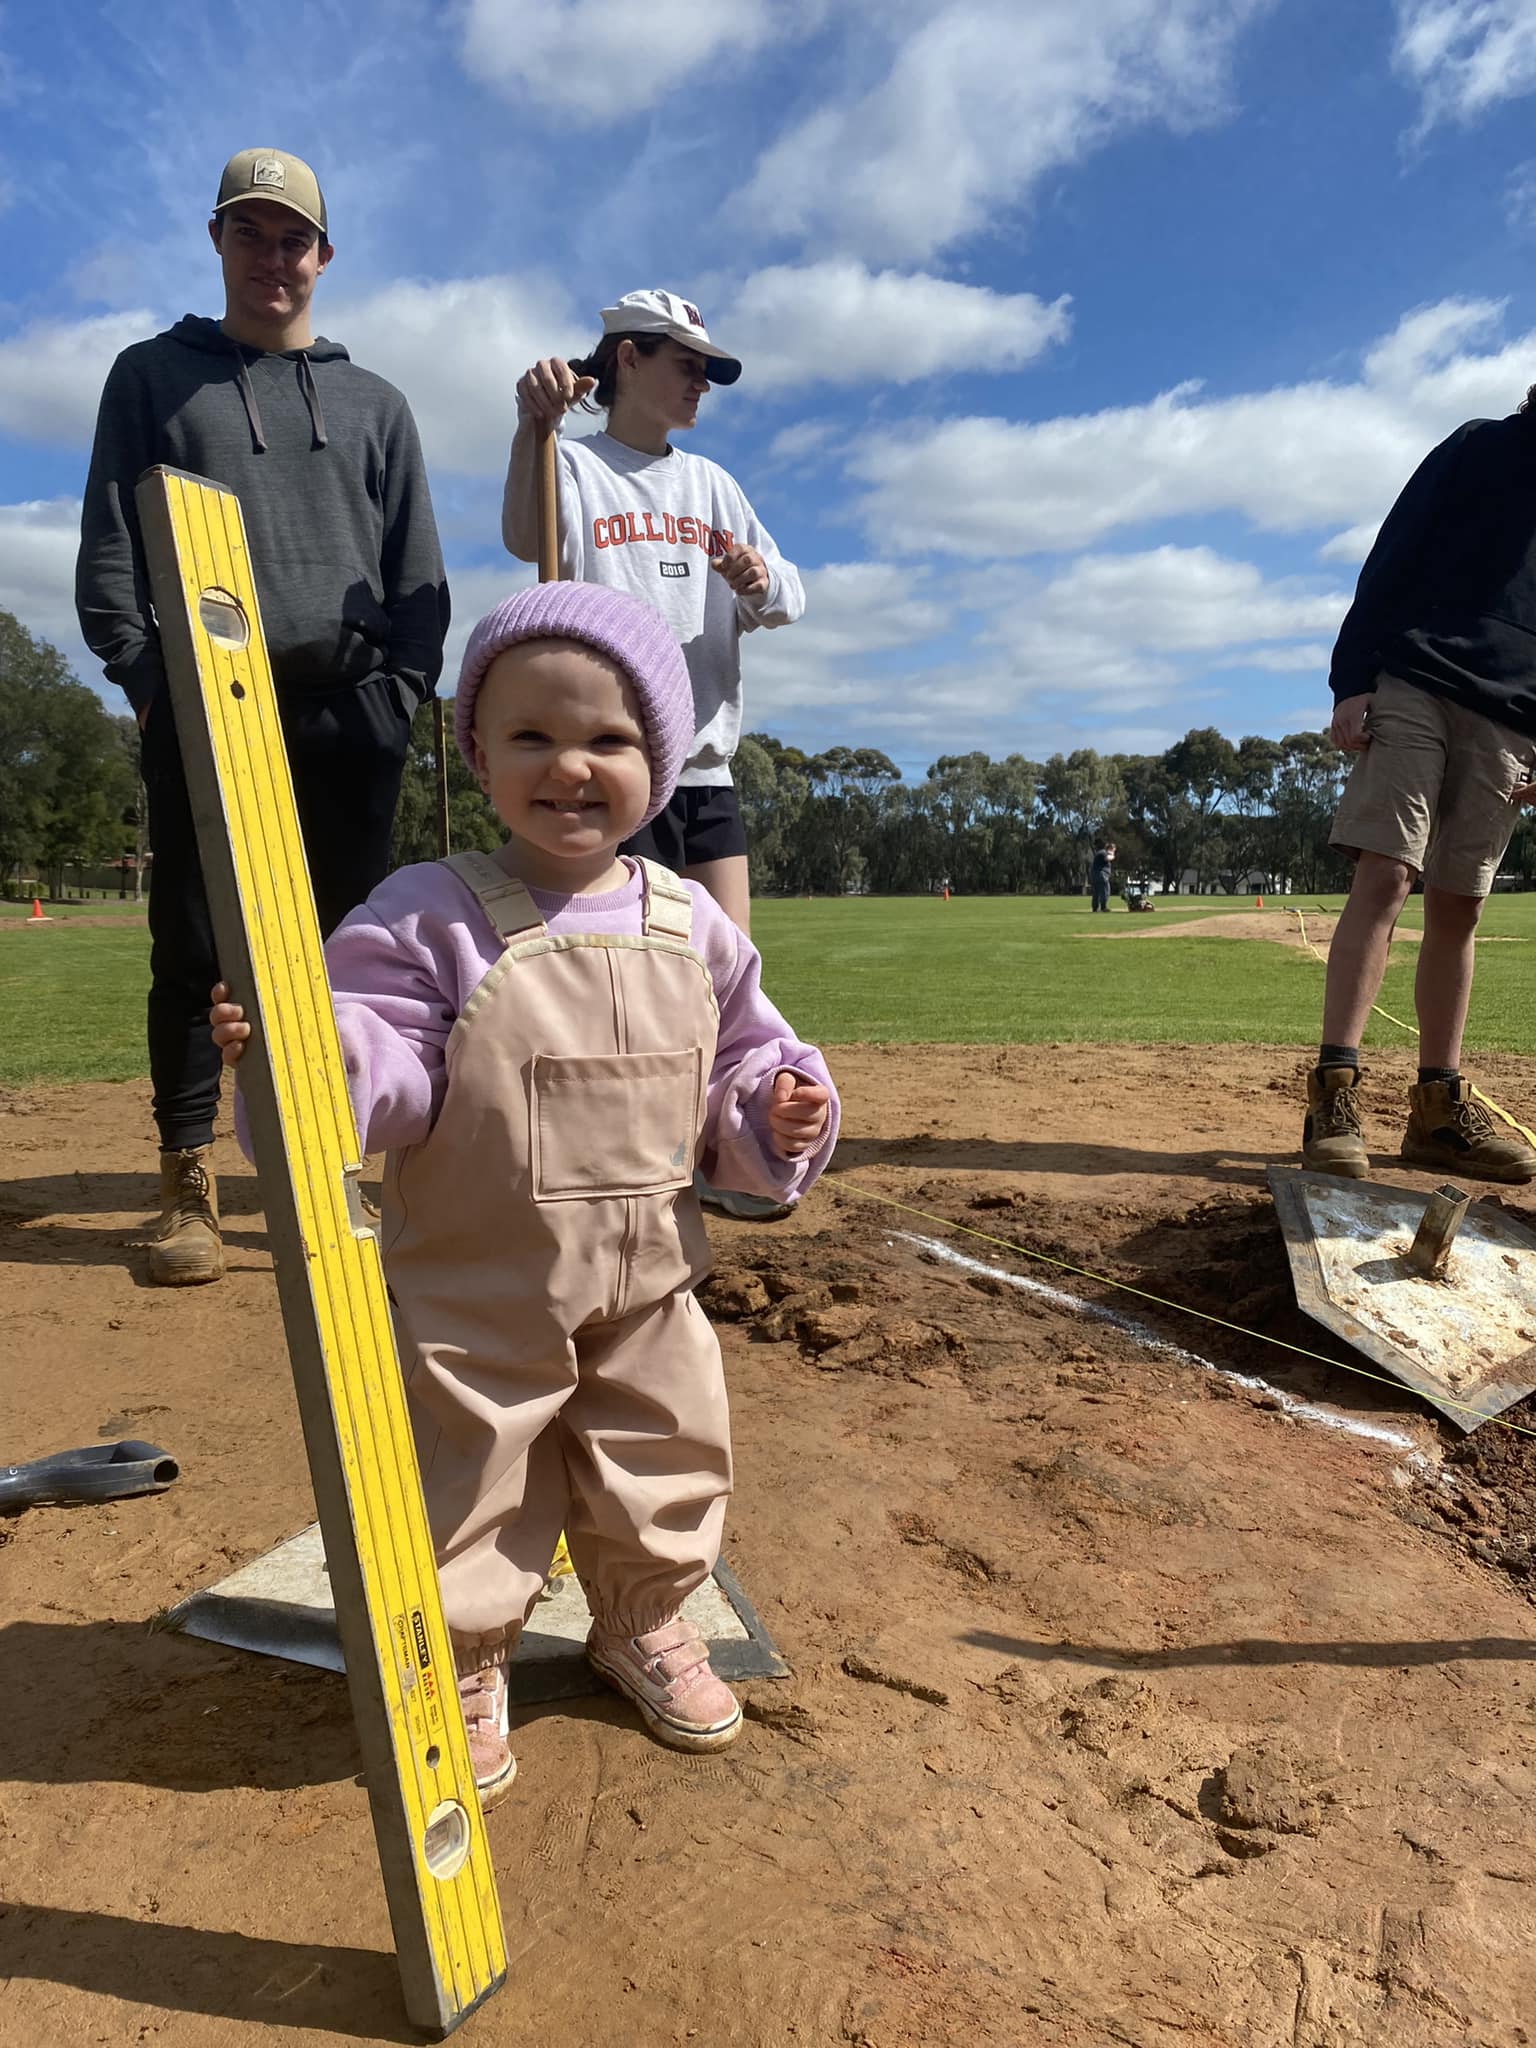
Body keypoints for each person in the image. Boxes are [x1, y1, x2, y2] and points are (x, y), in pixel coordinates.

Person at [210, 580, 838, 1801]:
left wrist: (775, 1106)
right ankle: (468, 1651)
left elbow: (746, 1056)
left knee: (665, 1451)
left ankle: (641, 1616)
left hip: (651, 1277)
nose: (570, 766)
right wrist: (310, 1057)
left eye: (607, 738)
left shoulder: (693, 923)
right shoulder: (431, 912)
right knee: (472, 1469)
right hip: (479, 1281)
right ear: (480, 755)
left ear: (655, 763)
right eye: (532, 737)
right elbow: (379, 1056)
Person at [75, 146, 449, 1286]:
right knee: (197, 947)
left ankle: (329, 1169)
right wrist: (149, 688)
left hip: (349, 714)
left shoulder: (376, 403)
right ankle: (187, 1182)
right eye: (251, 232)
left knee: (348, 956)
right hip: (206, 706)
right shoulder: (151, 377)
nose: (272, 256)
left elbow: (417, 572)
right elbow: (108, 549)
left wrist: (396, 696)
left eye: (293, 237)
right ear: (218, 241)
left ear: (323, 257)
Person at [503, 290, 807, 1223]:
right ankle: (596, 1156)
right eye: (687, 364)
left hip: (704, 767)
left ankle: (722, 1146)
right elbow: (526, 537)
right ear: (626, 360)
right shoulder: (575, 466)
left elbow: (789, 595)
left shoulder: (713, 486)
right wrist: (532, 432)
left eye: (710, 370)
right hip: (606, 775)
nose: (701, 383)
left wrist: (757, 581)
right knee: (603, 970)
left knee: (724, 972)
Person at [1301, 395, 1536, 1181]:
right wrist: (1351, 681)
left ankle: (1437, 1112)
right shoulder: (1477, 446)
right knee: (1387, 872)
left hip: (1510, 717)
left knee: (1460, 902)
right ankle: (1334, 1095)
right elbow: (1392, 555)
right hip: (1419, 682)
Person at [1089, 839, 1115, 913]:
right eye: (1113, 850)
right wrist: (1112, 855)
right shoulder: (1103, 853)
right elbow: (1108, 858)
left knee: (1096, 893)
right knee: (1105, 891)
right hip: (1101, 875)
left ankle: (1095, 908)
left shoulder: (1100, 853)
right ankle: (1103, 907)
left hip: (1095, 875)